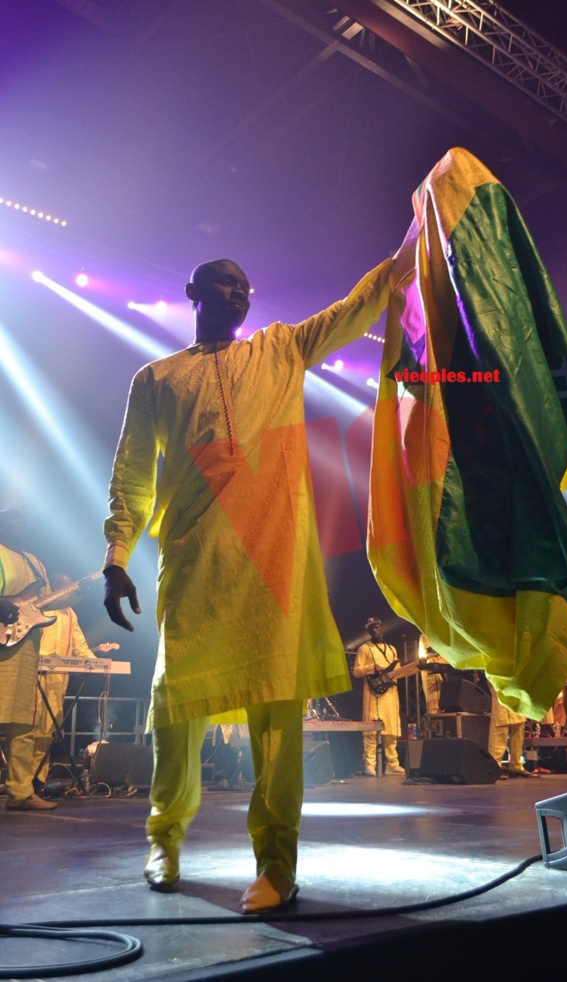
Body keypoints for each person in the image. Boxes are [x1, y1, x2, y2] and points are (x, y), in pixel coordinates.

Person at [103, 257, 391, 911]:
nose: (240, 293)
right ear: (193, 295)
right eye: (226, 284)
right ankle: (164, 840)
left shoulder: (282, 348)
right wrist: (116, 554)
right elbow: (131, 474)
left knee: (277, 720)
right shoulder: (157, 378)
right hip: (195, 564)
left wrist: (404, 257)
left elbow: (353, 310)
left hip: (273, 568)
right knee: (176, 712)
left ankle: (277, 864)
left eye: (246, 287)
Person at [0, 509, 57, 811]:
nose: (23, 521)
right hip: (1, 646)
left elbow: (44, 602)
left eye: (25, 518)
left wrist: (75, 594)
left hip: (26, 650)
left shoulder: (36, 562)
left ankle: (20, 793)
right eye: (15, 517)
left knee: (23, 723)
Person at [33, 574, 97, 784]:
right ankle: (23, 780)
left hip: (58, 680)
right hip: (34, 676)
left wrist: (96, 664)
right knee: (30, 728)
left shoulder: (70, 613)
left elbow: (80, 645)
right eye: (65, 588)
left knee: (49, 731)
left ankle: (38, 781)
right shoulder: (38, 608)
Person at [352, 617, 404, 776]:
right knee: (371, 730)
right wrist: (371, 667)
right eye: (371, 628)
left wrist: (416, 666)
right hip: (373, 694)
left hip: (390, 694)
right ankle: (370, 764)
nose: (374, 630)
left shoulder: (392, 649)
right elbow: (356, 672)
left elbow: (399, 671)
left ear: (382, 628)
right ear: (368, 631)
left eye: (377, 627)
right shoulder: (364, 649)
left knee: (391, 729)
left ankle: (392, 764)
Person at [488, 680, 535, 778]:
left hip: (516, 683)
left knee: (518, 725)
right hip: (500, 681)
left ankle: (516, 766)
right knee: (499, 726)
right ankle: (495, 767)